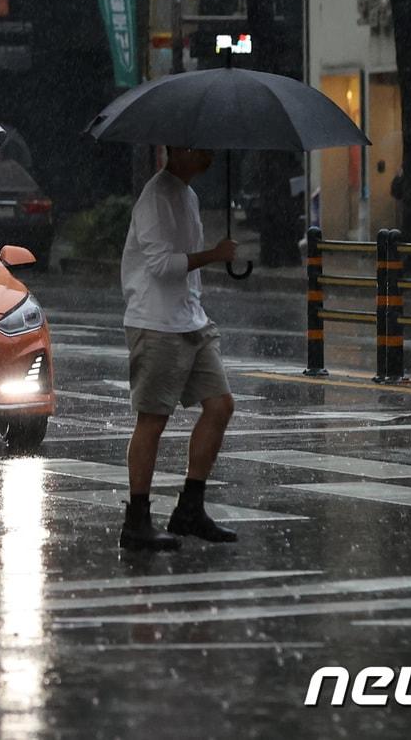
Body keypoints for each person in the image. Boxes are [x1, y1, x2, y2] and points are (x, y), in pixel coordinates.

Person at [118, 147, 239, 551]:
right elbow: (161, 266)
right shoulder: (155, 198)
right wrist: (214, 255)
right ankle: (136, 518)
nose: (207, 155)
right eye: (199, 148)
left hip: (192, 319)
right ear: (178, 150)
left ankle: (191, 506)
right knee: (153, 419)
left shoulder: (189, 196)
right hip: (156, 323)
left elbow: (185, 271)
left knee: (220, 405)